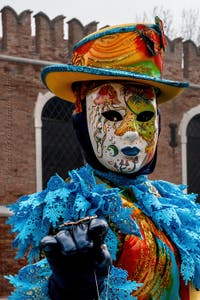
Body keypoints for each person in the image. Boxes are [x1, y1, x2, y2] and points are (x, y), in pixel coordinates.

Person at [5, 17, 200, 300]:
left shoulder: (175, 207)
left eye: (144, 116)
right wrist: (69, 288)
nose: (131, 133)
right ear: (82, 124)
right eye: (112, 115)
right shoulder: (70, 209)